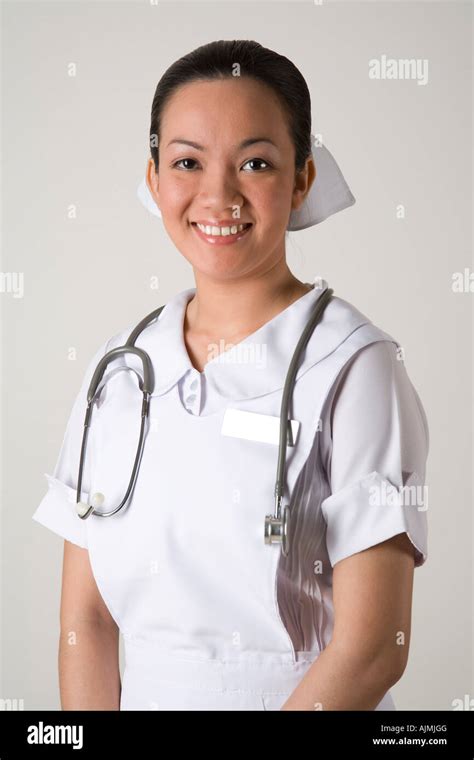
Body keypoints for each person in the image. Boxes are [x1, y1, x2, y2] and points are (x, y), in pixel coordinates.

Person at [32, 39, 429, 711]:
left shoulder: (355, 368)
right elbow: (86, 625)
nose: (219, 195)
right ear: (155, 178)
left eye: (256, 162)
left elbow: (373, 648)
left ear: (301, 179)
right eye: (187, 162)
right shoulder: (120, 371)